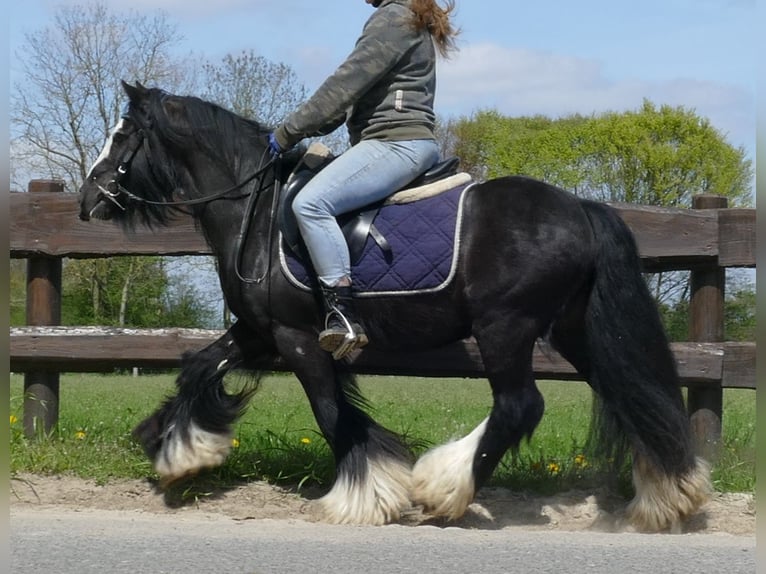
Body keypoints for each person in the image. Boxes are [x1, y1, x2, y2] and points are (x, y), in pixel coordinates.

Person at [268, 0, 459, 358]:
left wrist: (286, 134)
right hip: (395, 139)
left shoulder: (392, 17)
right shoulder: (403, 15)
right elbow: (350, 98)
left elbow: (344, 84)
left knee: (310, 204)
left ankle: (343, 315)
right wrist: (315, 124)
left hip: (395, 143)